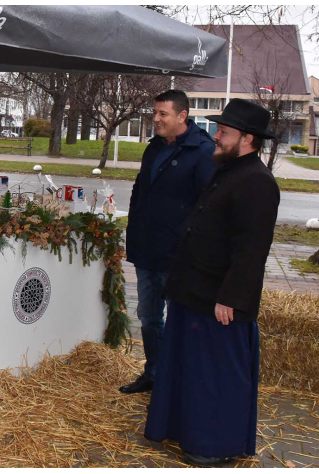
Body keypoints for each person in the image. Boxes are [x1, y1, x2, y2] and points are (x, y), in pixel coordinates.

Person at [144, 98, 280, 467]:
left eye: (224, 132)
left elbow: (252, 250)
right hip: (193, 291)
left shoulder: (257, 181)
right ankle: (185, 431)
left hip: (219, 302)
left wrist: (230, 298)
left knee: (215, 378)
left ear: (248, 138)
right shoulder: (229, 168)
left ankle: (213, 445)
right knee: (190, 372)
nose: (216, 137)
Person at [120, 90, 217, 394]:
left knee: (179, 322)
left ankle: (177, 383)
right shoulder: (154, 148)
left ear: (182, 116)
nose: (156, 119)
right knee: (148, 318)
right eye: (155, 113)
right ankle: (154, 373)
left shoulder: (203, 152)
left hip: (178, 256)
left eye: (163, 114)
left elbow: (208, 207)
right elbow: (140, 194)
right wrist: (134, 237)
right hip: (148, 251)